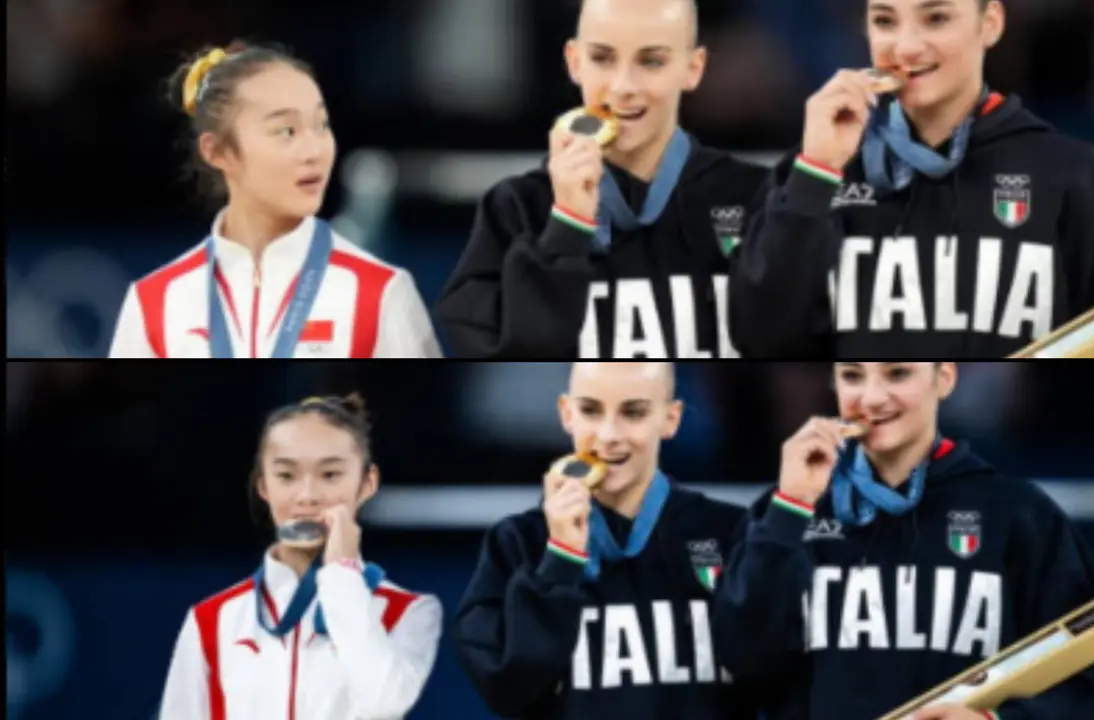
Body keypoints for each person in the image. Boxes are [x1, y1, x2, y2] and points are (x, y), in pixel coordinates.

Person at [729, 0, 1094, 358]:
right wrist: (817, 174)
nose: (906, 47)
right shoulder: (816, 169)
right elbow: (761, 340)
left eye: (936, 19)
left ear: (990, 23)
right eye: (885, 21)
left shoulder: (1076, 177)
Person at [713, 362, 1094, 719]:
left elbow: (1091, 668)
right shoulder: (788, 511)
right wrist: (791, 507)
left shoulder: (1016, 513)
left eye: (898, 373)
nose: (872, 398)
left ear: (943, 379)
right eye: (853, 375)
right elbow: (741, 664)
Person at [435, 0, 768, 359]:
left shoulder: (753, 196)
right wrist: (567, 226)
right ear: (574, 61)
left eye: (651, 61)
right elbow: (500, 359)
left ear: (693, 68)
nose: (623, 86)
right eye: (602, 58)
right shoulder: (517, 207)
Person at [453, 362, 763, 719]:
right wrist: (561, 559)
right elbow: (510, 692)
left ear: (670, 419)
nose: (609, 434)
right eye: (590, 410)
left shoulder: (728, 530)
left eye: (633, 412)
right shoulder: (518, 543)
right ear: (566, 414)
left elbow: (772, 670)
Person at [109, 42, 442, 358]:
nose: (314, 151)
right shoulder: (154, 301)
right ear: (218, 151)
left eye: (321, 125)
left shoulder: (381, 292)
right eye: (286, 131)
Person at [159, 394, 443, 719]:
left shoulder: (408, 612)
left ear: (366, 483)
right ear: (263, 486)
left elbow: (383, 703)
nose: (307, 496)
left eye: (330, 475)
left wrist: (342, 572)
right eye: (286, 476)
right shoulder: (211, 620)